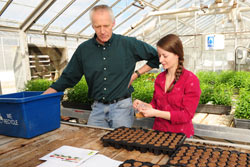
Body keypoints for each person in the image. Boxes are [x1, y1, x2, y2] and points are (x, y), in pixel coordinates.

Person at [43, 5, 159, 128]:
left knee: (119, 144)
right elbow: (68, 77)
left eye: (106, 26)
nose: (102, 31)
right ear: (92, 25)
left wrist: (136, 74)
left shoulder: (128, 44)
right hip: (97, 108)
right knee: (93, 144)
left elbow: (157, 56)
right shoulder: (84, 50)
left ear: (113, 23)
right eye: (97, 26)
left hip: (122, 108)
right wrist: (42, 98)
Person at [133, 34, 201, 138]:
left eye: (165, 56)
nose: (160, 60)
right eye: (159, 56)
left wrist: (155, 113)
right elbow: (155, 105)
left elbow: (186, 115)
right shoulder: (160, 78)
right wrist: (143, 105)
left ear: (177, 54)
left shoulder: (190, 80)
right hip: (159, 134)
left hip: (181, 136)